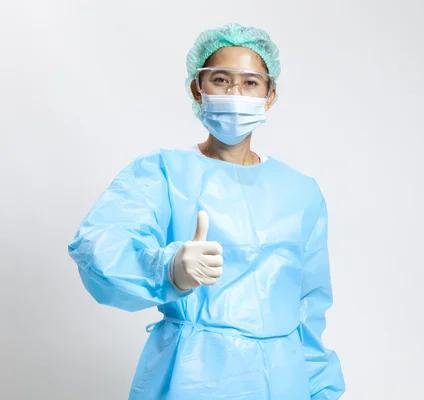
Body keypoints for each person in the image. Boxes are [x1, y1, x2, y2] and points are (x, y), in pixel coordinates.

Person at [68, 23, 345, 400]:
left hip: (282, 382)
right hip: (190, 376)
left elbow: (309, 309)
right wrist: (169, 269)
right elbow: (98, 248)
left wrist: (320, 391)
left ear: (270, 94)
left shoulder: (300, 193)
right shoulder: (163, 174)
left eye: (250, 83)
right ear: (198, 88)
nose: (235, 92)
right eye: (220, 79)